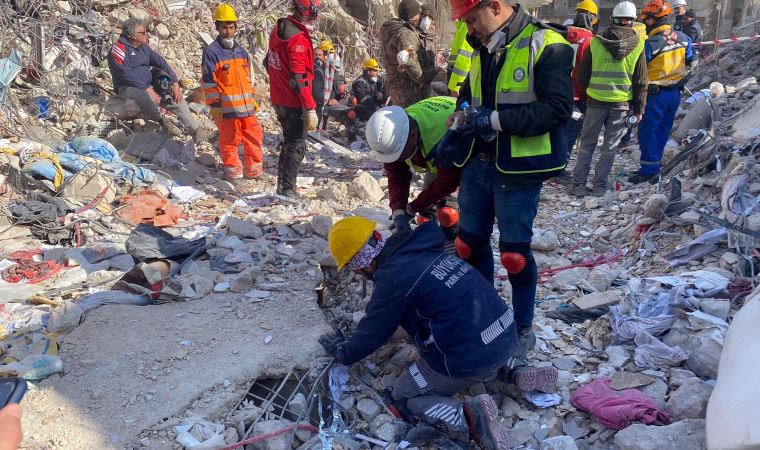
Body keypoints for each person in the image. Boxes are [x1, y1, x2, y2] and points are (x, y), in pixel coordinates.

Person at [320, 217, 558, 450]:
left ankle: (468, 417)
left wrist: (344, 352)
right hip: (506, 332)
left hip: (472, 357)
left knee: (402, 396)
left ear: (362, 263)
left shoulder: (393, 278)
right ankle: (515, 371)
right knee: (473, 337)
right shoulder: (420, 246)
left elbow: (374, 330)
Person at [446, 0, 573, 359]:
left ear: (496, 6)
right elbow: (470, 96)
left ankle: (522, 328)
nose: (468, 29)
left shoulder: (546, 44)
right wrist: (460, 116)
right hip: (477, 164)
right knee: (468, 245)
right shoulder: (481, 46)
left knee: (515, 255)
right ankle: (487, 315)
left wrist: (494, 121)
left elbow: (557, 109)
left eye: (471, 19)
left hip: (518, 169)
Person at [567, 1, 647, 197]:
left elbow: (582, 75)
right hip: (621, 104)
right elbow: (641, 81)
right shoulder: (638, 45)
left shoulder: (596, 41)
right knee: (609, 148)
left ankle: (578, 185)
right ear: (633, 21)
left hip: (595, 101)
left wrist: (588, 94)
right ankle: (600, 187)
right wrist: (639, 109)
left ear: (612, 19)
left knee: (586, 144)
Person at [366, 97, 461, 233]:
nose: (397, 159)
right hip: (435, 151)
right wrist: (398, 211)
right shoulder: (395, 130)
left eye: (400, 153)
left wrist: (411, 208)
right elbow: (396, 174)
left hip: (464, 152)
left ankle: (455, 240)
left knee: (449, 213)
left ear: (413, 135)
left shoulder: (444, 136)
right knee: (426, 210)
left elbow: (448, 182)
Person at [628, 0, 693, 183]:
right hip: (674, 93)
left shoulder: (650, 44)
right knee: (663, 128)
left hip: (654, 94)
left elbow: (638, 69)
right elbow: (689, 59)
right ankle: (655, 162)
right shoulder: (683, 38)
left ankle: (649, 170)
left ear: (650, 20)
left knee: (648, 130)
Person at [201, 3, 264, 183]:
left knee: (254, 136)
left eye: (231, 27)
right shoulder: (211, 52)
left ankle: (254, 171)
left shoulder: (241, 51)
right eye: (224, 27)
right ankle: (234, 173)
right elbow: (208, 81)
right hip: (226, 109)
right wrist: (214, 105)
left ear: (236, 27)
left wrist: (252, 98)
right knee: (230, 140)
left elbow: (246, 78)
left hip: (246, 108)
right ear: (217, 28)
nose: (228, 31)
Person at [108, 18, 198, 137]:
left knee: (175, 97)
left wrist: (175, 83)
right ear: (133, 35)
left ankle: (195, 129)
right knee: (145, 96)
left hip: (149, 84)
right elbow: (125, 75)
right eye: (143, 32)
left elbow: (161, 63)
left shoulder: (144, 47)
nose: (147, 34)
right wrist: (148, 89)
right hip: (127, 87)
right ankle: (162, 122)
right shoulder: (118, 50)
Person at [266, 0, 320, 197]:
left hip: (279, 97)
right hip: (293, 101)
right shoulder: (297, 39)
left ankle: (282, 187)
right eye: (314, 12)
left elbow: (268, 62)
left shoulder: (278, 30)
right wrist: (310, 106)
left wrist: (280, 83)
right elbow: (299, 78)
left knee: (289, 142)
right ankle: (287, 190)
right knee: (297, 145)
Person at [553, 0, 598, 184]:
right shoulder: (590, 41)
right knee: (569, 133)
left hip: (555, 91)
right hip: (576, 95)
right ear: (593, 18)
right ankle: (559, 170)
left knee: (555, 131)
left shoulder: (563, 35)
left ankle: (549, 165)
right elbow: (588, 72)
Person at [378, 0, 438, 107]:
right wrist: (425, 78)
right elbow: (410, 63)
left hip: (397, 86)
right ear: (412, 15)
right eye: (418, 14)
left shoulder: (393, 30)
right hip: (410, 90)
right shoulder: (405, 34)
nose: (420, 17)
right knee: (412, 119)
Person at [447, 20, 474, 97]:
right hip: (458, 78)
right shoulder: (462, 25)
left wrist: (455, 86)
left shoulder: (465, 27)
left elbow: (464, 58)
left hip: (462, 81)